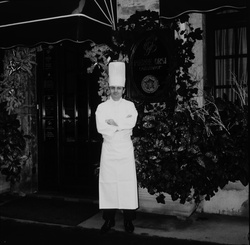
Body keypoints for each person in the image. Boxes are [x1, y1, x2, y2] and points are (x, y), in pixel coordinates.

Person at [95, 61, 138, 233]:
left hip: (125, 149)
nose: (115, 91)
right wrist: (120, 126)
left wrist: (115, 123)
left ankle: (128, 221)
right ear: (109, 88)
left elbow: (132, 122)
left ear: (123, 89)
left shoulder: (130, 106)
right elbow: (101, 127)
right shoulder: (102, 107)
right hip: (110, 149)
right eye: (112, 88)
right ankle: (109, 220)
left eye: (118, 88)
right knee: (109, 185)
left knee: (127, 185)